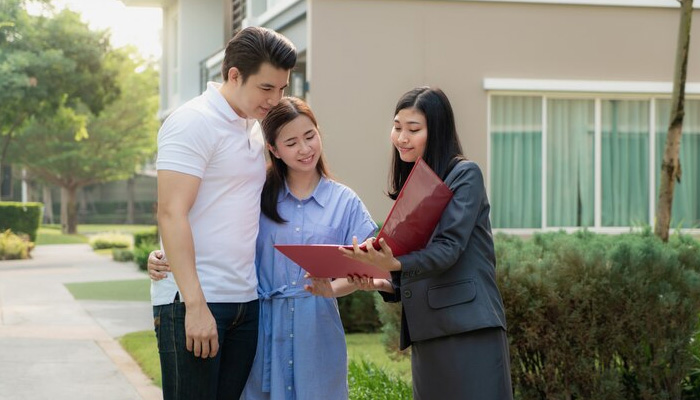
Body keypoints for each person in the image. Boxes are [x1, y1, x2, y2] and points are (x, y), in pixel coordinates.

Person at [149, 96, 378, 400]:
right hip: (258, 328)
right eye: (291, 142)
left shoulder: (345, 201)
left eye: (310, 136)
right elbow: (213, 229)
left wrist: (334, 289)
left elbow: (369, 262)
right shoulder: (255, 195)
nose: (305, 149)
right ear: (273, 149)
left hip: (317, 330)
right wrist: (163, 256)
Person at [340, 86, 514, 400]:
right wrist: (382, 280)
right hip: (428, 332)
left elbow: (449, 248)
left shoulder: (465, 175)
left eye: (413, 129)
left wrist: (394, 264)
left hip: (469, 330)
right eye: (396, 127)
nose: (401, 137)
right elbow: (418, 262)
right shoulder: (415, 184)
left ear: (437, 131)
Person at [153, 26, 297, 400]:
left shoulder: (253, 127)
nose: (275, 99)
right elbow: (171, 212)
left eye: (282, 89)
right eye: (267, 88)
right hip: (197, 301)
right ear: (234, 75)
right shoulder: (192, 121)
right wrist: (194, 305)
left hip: (244, 301)